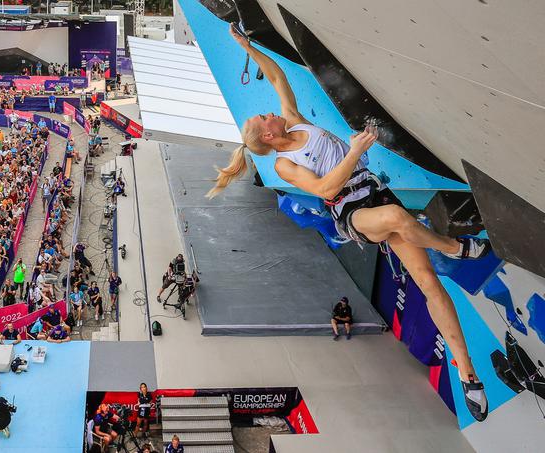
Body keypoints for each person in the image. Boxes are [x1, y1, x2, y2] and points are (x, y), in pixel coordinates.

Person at [209, 23, 490, 422]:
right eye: (264, 116)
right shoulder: (286, 165)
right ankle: (455, 248)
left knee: (427, 281)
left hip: (373, 191)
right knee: (395, 218)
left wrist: (246, 46)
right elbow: (325, 189)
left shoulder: (293, 119)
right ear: (267, 136)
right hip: (352, 213)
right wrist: (354, 151)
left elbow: (276, 75)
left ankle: (468, 375)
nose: (270, 111)